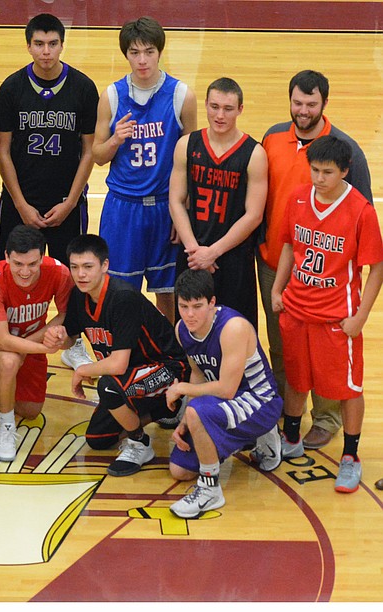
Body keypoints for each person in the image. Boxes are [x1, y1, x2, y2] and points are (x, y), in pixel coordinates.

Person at [260, 70, 373, 451]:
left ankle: (326, 418)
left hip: (329, 278)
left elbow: (362, 218)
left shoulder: (347, 150)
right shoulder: (273, 136)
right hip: (275, 262)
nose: (303, 110)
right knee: (283, 346)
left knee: (329, 358)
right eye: (297, 102)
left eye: (311, 103)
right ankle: (285, 413)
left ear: (325, 103)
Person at [270, 135, 383, 494]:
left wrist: (361, 317)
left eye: (327, 172)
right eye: (315, 170)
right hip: (297, 308)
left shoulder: (360, 210)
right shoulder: (298, 198)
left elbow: (376, 268)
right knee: (296, 377)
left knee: (347, 388)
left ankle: (350, 456)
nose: (319, 178)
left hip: (337, 318)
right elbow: (290, 244)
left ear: (345, 171)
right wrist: (277, 288)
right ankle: (290, 436)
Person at [43, 234, 189, 476]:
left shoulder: (122, 297)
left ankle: (139, 443)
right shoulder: (80, 295)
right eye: (75, 267)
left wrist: (82, 370)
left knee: (110, 387)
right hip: (133, 376)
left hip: (168, 368)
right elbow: (71, 337)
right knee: (98, 438)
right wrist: (58, 337)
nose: (81, 275)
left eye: (88, 267)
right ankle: (168, 407)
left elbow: (118, 364)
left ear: (105, 266)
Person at [90, 16, 197, 322]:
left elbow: (191, 160)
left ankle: (173, 353)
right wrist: (115, 140)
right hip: (123, 208)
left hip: (165, 206)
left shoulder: (181, 96)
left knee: (170, 291)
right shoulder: (111, 95)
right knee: (121, 290)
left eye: (148, 51)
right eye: (135, 53)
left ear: (159, 52)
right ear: (126, 55)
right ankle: (128, 352)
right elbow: (97, 155)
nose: (142, 60)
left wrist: (184, 210)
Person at [164, 270, 283, 518]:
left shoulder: (233, 327)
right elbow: (197, 375)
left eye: (197, 306)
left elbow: (227, 389)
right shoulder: (182, 329)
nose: (189, 314)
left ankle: (210, 490)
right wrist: (186, 420)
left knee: (199, 410)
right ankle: (233, 439)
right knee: (180, 470)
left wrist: (182, 390)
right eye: (184, 306)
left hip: (259, 400)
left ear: (212, 303)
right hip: (222, 402)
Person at [0, 13, 98, 265]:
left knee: (73, 278)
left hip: (65, 203)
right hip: (20, 200)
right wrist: (20, 204)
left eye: (52, 44)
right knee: (6, 272)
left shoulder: (83, 88)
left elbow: (89, 150)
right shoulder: (11, 88)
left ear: (62, 45)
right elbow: (2, 151)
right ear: (28, 46)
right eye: (39, 44)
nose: (46, 51)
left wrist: (71, 203)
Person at [168, 77, 266, 327]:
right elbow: (176, 201)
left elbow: (253, 215)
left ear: (240, 110)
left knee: (235, 328)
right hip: (192, 253)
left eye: (228, 108)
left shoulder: (254, 153)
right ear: (206, 105)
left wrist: (212, 252)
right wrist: (194, 250)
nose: (220, 115)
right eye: (214, 107)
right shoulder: (187, 145)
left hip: (233, 257)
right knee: (190, 326)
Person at [0, 225, 72, 462]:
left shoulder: (60, 273)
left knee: (31, 411)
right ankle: (6, 427)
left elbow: (63, 315)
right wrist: (44, 348)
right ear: (7, 257)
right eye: (18, 264)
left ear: (43, 256)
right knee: (8, 361)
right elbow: (2, 339)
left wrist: (47, 338)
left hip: (31, 333)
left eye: (32, 264)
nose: (25, 271)